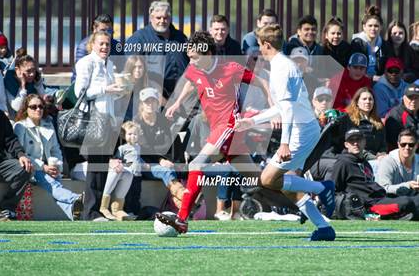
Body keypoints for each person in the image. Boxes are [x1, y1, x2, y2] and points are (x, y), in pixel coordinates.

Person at [156, 30, 271, 234]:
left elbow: (261, 82)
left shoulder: (230, 69)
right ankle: (300, 198)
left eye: (194, 58)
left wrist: (272, 105)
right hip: (217, 130)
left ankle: (182, 219)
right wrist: (178, 103)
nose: (190, 62)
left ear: (207, 53)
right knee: (261, 179)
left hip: (229, 127)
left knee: (196, 164)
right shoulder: (194, 69)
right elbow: (192, 82)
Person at [236, 24, 337, 241]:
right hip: (302, 129)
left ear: (267, 44)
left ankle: (321, 188)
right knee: (287, 184)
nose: (258, 50)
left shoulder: (281, 69)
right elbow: (281, 107)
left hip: (301, 132)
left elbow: (288, 109)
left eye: (259, 46)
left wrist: (284, 143)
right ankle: (323, 228)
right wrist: (251, 121)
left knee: (268, 179)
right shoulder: (281, 65)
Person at [74, 30, 125, 221]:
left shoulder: (110, 64)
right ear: (92, 45)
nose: (105, 47)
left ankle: (99, 210)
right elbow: (80, 91)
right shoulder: (86, 62)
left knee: (103, 165)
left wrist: (119, 91)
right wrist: (106, 88)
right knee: (95, 167)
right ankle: (90, 211)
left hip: (107, 121)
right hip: (93, 120)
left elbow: (109, 95)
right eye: (101, 44)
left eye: (108, 44)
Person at [13, 94, 82, 220]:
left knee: (54, 184)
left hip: (48, 168)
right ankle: (74, 198)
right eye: (33, 107)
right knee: (53, 184)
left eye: (41, 106)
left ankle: (72, 211)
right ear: (26, 109)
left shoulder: (48, 125)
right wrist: (43, 167)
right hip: (29, 168)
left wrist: (57, 167)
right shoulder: (20, 126)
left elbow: (56, 150)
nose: (38, 109)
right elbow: (21, 154)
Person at [326, 128, 419, 220]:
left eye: (358, 140)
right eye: (351, 141)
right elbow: (333, 188)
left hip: (380, 199)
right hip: (368, 206)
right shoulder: (343, 162)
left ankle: (403, 215)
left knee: (416, 200)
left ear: (364, 142)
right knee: (406, 202)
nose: (355, 143)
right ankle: (397, 215)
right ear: (346, 144)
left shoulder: (365, 163)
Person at [130, 87, 185, 211]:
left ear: (157, 103)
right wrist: (160, 159)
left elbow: (169, 144)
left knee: (174, 170)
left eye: (153, 101)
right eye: (147, 101)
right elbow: (143, 149)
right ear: (141, 104)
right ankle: (184, 195)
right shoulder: (136, 122)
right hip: (143, 163)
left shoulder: (163, 120)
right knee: (165, 170)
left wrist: (170, 161)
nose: (150, 104)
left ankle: (181, 201)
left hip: (161, 163)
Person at [125, 1, 189, 100]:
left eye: (165, 17)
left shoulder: (181, 37)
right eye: (158, 18)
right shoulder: (139, 38)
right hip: (152, 98)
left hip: (181, 98)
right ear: (151, 18)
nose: (162, 21)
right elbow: (129, 68)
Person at [100, 121, 140, 221]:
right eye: (129, 134)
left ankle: (117, 209)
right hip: (123, 168)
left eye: (135, 134)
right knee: (119, 172)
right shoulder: (122, 148)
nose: (133, 136)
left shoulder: (138, 147)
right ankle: (104, 207)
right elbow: (118, 159)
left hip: (132, 172)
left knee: (128, 176)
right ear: (124, 135)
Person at [0, 109, 32, 221]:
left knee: (24, 168)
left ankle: (6, 209)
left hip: (1, 164)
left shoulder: (0, 115)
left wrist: (21, 154)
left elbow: (11, 140)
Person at [72, 14, 123, 82]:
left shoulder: (116, 45)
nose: (106, 33)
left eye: (109, 31)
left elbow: (122, 69)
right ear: (94, 29)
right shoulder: (84, 46)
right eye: (102, 30)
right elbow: (80, 74)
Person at [375, 129, 419, 197]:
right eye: (403, 144)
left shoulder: (418, 160)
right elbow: (383, 188)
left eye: (411, 145)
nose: (407, 147)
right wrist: (408, 185)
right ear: (398, 144)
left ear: (416, 145)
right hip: (393, 200)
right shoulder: (388, 162)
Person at [351, 5, 390, 78]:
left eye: (376, 26)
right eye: (370, 25)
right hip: (361, 79)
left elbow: (387, 67)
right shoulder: (357, 43)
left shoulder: (384, 45)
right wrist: (371, 78)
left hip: (380, 81)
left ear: (381, 27)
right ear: (364, 27)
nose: (373, 28)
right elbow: (354, 68)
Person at [4, 52, 46, 119]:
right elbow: (17, 107)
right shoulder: (9, 80)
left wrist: (39, 85)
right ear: (17, 70)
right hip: (13, 119)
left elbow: (43, 101)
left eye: (34, 70)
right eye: (28, 71)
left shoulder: (34, 79)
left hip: (32, 116)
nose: (32, 74)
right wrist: (22, 87)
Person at [385, 83, 419, 151]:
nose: (413, 101)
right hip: (402, 153)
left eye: (416, 98)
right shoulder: (395, 114)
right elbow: (393, 140)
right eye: (410, 98)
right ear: (403, 98)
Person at [119, 55, 149, 121]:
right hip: (121, 120)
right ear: (129, 67)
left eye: (140, 67)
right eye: (134, 67)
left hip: (138, 121)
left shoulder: (146, 83)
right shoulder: (121, 81)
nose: (137, 70)